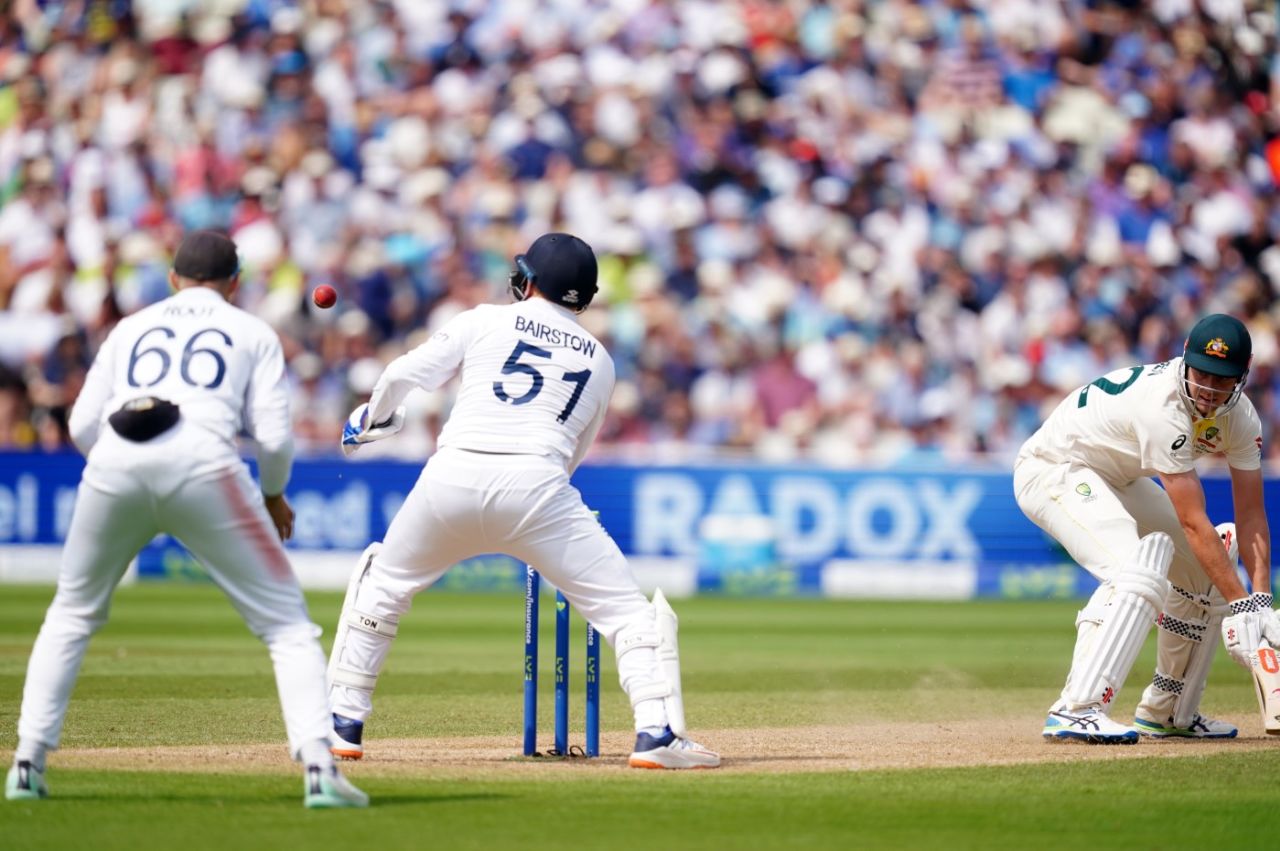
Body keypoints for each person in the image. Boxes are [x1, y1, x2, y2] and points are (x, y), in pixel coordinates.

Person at [327, 232, 720, 769]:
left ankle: (341, 724)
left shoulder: (483, 318)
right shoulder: (601, 362)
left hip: (451, 476)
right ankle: (657, 734)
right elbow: (573, 454)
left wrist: (370, 420)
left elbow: (400, 375)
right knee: (628, 614)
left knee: (383, 586)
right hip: (538, 485)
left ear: (529, 280)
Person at [4, 231, 368, 807]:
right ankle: (321, 773)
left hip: (116, 458)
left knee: (70, 613)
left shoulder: (130, 328)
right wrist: (273, 495)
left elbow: (79, 426)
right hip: (204, 463)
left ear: (173, 278)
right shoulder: (252, 330)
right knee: (287, 627)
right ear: (236, 283)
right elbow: (273, 438)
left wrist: (119, 464)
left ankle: (26, 764)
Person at [1014, 313, 1277, 743]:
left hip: (1117, 477)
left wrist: (1261, 600)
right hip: (1054, 468)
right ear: (1185, 361)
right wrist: (1242, 606)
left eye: (1223, 379)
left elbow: (1251, 514)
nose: (1209, 389)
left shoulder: (1242, 420)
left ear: (1242, 379)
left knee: (1205, 568)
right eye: (1203, 374)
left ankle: (1168, 711)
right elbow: (1193, 521)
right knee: (1137, 567)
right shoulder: (1163, 407)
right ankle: (1076, 708)